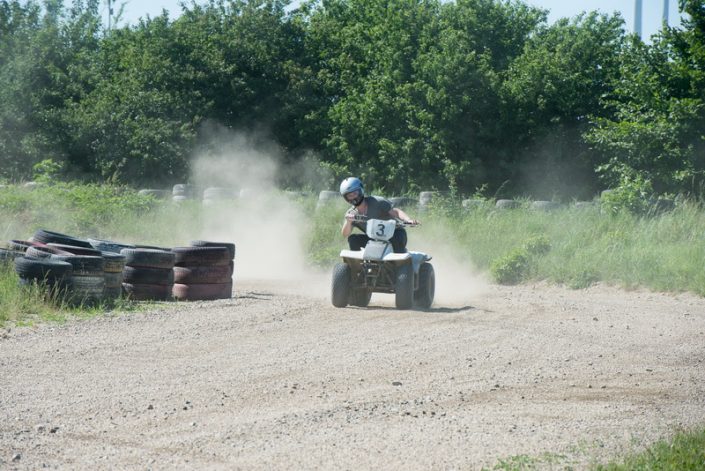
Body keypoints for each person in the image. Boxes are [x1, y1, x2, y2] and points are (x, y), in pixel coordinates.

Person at [339, 177, 419, 253]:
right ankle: (357, 262)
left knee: (393, 239)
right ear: (346, 198)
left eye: (355, 193)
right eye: (349, 195)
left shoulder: (377, 201)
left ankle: (401, 258)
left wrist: (408, 220)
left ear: (361, 191)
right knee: (353, 239)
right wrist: (348, 222)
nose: (353, 197)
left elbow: (396, 212)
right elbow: (345, 234)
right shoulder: (351, 214)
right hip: (375, 240)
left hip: (396, 234)